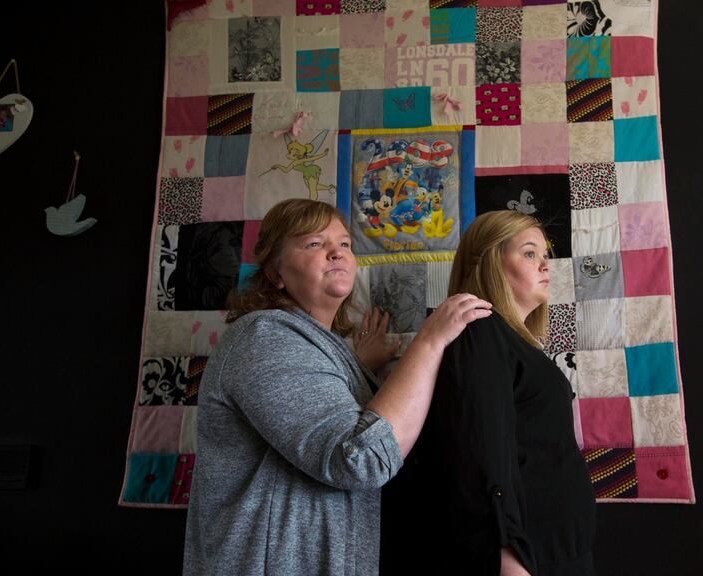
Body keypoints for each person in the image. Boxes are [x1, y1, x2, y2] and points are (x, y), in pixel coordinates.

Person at [182, 199, 492, 576]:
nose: (336, 253)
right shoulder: (264, 336)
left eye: (344, 244)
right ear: (275, 273)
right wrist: (429, 340)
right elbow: (359, 460)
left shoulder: (319, 346)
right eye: (314, 243)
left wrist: (359, 369)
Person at [383, 210, 597, 576]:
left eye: (545, 255)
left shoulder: (513, 342)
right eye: (529, 253)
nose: (545, 265)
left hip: (555, 549)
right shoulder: (480, 332)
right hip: (525, 556)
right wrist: (506, 553)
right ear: (491, 262)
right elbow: (480, 449)